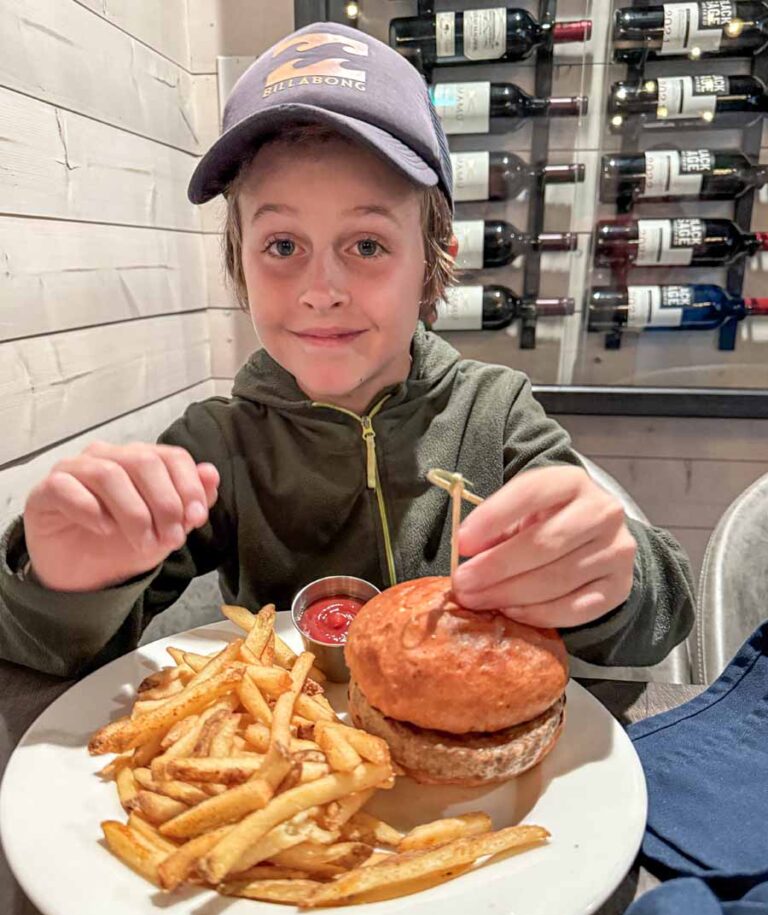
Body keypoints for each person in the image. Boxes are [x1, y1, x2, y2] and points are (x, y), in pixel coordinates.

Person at [0, 22, 694, 679]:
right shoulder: (216, 443)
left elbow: (666, 614)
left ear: (431, 263)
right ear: (238, 264)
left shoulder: (498, 412)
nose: (321, 290)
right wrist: (66, 585)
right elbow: (43, 653)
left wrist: (610, 581)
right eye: (282, 246)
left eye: (366, 245)